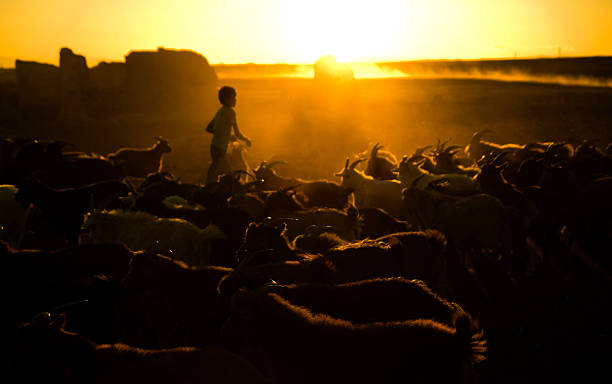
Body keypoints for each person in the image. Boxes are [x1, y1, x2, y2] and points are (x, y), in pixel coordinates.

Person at [204, 86, 251, 185]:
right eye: (233, 97)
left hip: (213, 147)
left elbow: (209, 128)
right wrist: (246, 140)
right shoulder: (231, 113)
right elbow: (237, 133)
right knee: (229, 174)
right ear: (226, 99)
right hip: (220, 148)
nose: (235, 100)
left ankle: (209, 187)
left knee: (216, 170)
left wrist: (226, 135)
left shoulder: (220, 111)